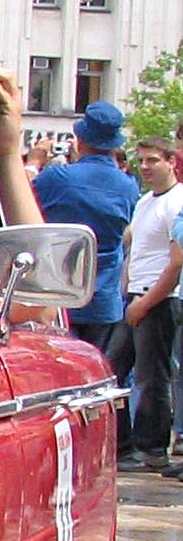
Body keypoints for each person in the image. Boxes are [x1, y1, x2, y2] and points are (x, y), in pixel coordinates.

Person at [31, 101, 138, 351]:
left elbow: (20, 201)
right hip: (103, 301)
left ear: (80, 140)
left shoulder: (57, 178)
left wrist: (34, 163)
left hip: (57, 295)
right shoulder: (129, 187)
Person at [114, 138, 183, 468]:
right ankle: (124, 443)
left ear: (171, 161)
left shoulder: (177, 201)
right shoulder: (144, 202)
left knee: (150, 376)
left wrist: (146, 301)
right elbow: (135, 245)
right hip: (134, 295)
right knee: (114, 367)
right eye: (141, 160)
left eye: (152, 160)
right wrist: (127, 284)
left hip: (158, 298)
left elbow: (175, 263)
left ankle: (152, 449)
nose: (144, 167)